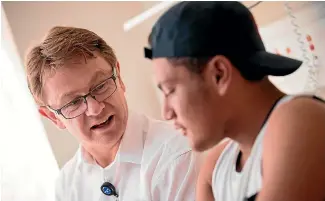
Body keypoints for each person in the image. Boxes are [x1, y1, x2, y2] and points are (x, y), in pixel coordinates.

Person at [144, 1, 325, 201]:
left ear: (219, 74)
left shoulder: (301, 121)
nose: (166, 113)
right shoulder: (215, 170)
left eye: (170, 90)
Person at [24, 26, 202, 201]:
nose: (95, 108)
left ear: (119, 78)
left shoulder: (176, 155)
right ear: (54, 117)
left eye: (100, 86)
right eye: (74, 102)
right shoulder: (67, 185)